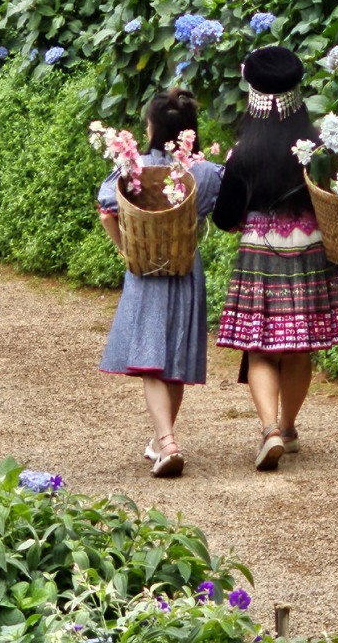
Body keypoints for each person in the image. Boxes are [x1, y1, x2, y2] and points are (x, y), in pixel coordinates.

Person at [213, 46, 338, 471]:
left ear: (252, 92)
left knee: (261, 347)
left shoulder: (243, 152)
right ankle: (288, 427)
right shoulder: (316, 146)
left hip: (260, 250)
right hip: (310, 248)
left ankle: (269, 427)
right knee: (298, 346)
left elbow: (225, 217)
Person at [98, 88, 222, 478]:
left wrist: (127, 252)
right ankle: (162, 441)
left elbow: (107, 212)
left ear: (150, 128)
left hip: (145, 271)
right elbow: (223, 207)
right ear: (190, 132)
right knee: (175, 357)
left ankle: (166, 442)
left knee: (151, 358)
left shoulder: (133, 170)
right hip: (186, 268)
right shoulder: (203, 171)